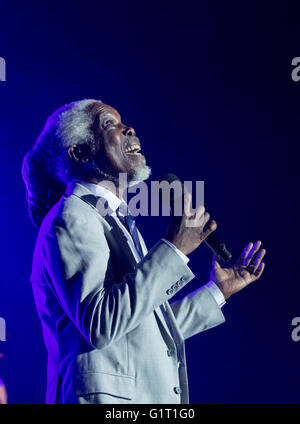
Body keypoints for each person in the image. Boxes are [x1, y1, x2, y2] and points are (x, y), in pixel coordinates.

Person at [22, 99, 266, 404]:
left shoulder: (115, 220)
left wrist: (217, 292)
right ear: (80, 152)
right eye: (109, 124)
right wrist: (174, 249)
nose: (129, 129)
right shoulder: (72, 216)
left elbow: (142, 331)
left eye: (123, 122)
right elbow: (101, 324)